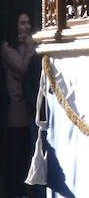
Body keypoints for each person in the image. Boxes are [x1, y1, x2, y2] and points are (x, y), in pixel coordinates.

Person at [2, 13, 37, 198]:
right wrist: (30, 48)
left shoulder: (26, 44)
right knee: (15, 151)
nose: (26, 26)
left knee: (24, 151)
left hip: (28, 108)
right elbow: (22, 67)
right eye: (22, 22)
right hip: (15, 107)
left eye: (28, 22)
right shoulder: (7, 48)